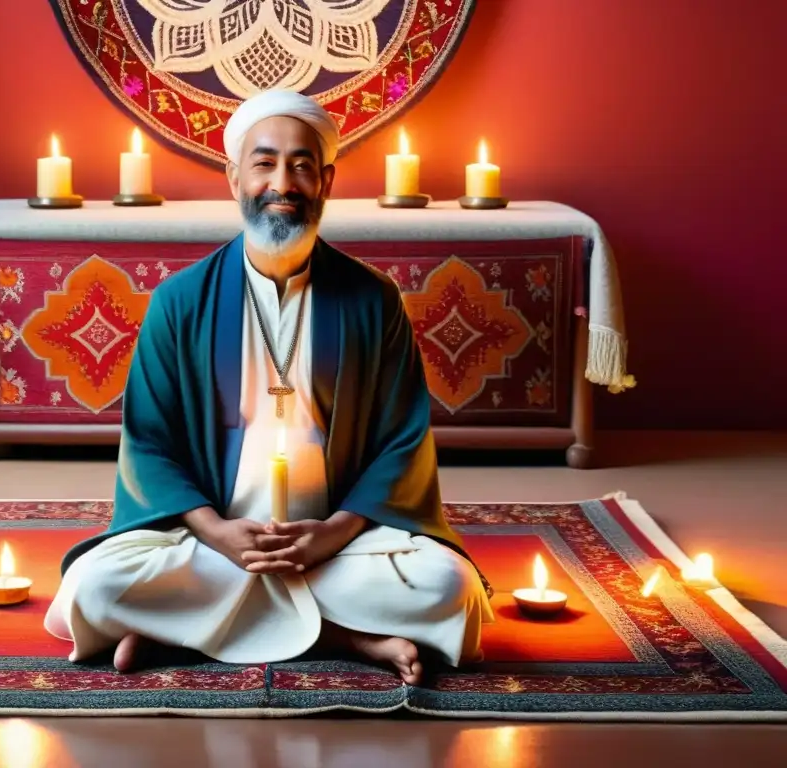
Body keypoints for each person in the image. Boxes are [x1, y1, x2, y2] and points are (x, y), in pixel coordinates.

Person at [44, 89, 494, 685]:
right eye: (264, 163)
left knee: (448, 588)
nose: (282, 182)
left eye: (302, 165)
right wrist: (219, 533)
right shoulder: (180, 303)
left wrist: (329, 535)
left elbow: (401, 443)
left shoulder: (373, 301)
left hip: (337, 541)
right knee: (94, 587)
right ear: (234, 178)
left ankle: (187, 633)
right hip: (211, 541)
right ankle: (348, 638)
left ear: (326, 182)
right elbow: (149, 444)